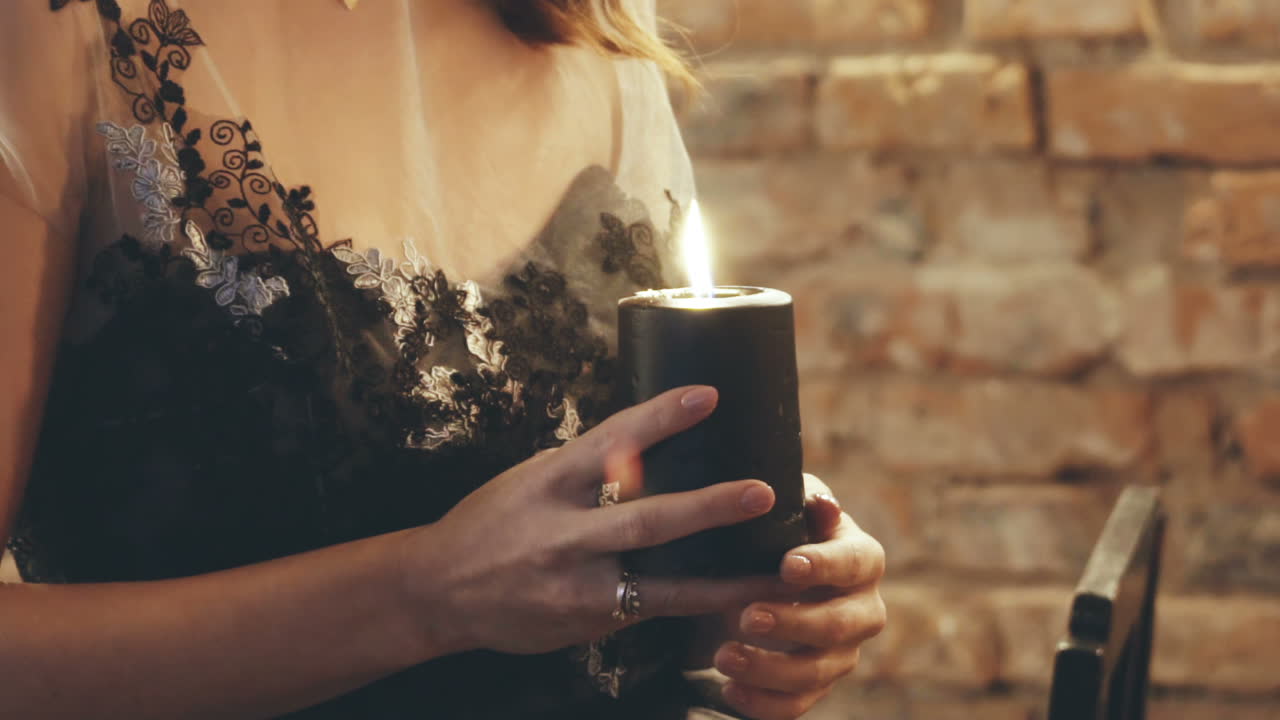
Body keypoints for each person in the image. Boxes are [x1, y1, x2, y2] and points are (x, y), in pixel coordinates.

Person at [0, 0, 886, 718]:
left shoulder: (592, 25)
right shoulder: (55, 30)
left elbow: (596, 534)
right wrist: (423, 596)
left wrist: (733, 611)